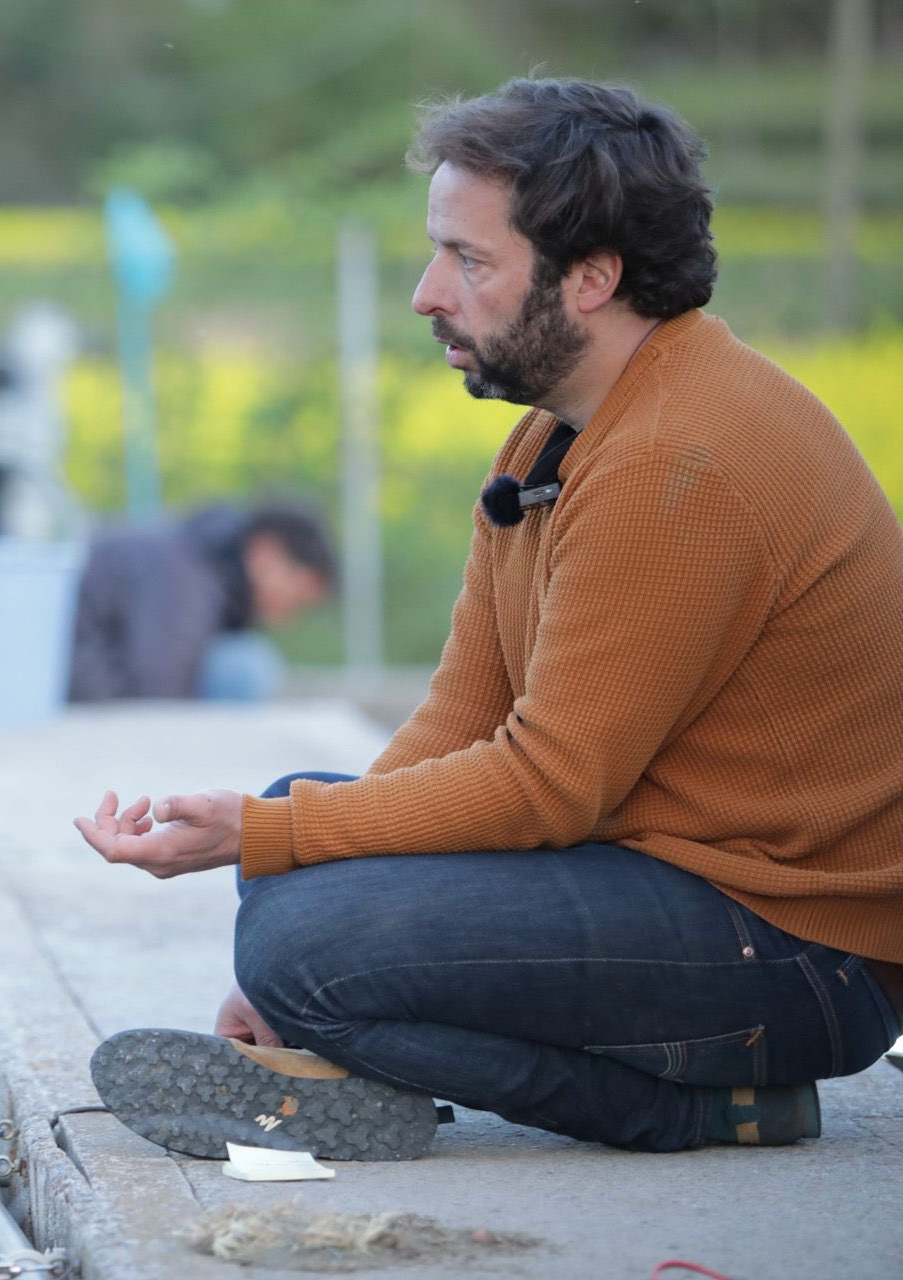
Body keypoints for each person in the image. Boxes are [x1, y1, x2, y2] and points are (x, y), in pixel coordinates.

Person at [75, 78, 903, 1160]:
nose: (427, 293)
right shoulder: (554, 444)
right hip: (678, 884)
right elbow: (463, 717)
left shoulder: (676, 460)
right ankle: (331, 1019)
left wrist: (283, 868)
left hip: (800, 954)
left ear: (593, 276)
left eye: (469, 260)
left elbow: (550, 782)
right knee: (298, 865)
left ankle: (688, 1107)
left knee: (305, 920)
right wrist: (288, 852)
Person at [67, 502, 333, 702]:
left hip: (83, 675)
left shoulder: (202, 565)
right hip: (73, 680)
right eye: (295, 599)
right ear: (266, 553)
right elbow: (156, 693)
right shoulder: (186, 578)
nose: (287, 620)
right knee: (245, 667)